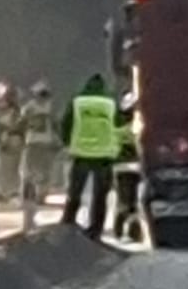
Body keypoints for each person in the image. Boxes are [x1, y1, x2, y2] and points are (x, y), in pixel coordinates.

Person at [60, 72, 119, 239]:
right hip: (104, 156)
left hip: (81, 153)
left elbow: (66, 124)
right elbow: (120, 126)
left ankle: (68, 223)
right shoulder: (110, 103)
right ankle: (96, 229)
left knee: (75, 192)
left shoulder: (77, 101)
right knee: (100, 195)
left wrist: (67, 143)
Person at [20, 80, 59, 209]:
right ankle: (39, 195)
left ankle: (32, 195)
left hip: (34, 141)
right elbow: (55, 124)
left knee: (33, 170)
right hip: (42, 142)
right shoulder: (50, 107)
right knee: (41, 170)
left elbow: (22, 123)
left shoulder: (29, 107)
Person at [112, 92, 143, 243]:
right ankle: (133, 232)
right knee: (133, 202)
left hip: (119, 168)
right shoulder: (135, 130)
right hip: (135, 169)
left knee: (123, 200)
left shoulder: (116, 132)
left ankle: (119, 230)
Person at [0, 80, 24, 203]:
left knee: (11, 167)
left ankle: (12, 192)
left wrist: (7, 132)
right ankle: (4, 191)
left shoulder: (15, 112)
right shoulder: (2, 112)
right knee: (2, 167)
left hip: (13, 139)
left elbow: (17, 125)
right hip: (5, 140)